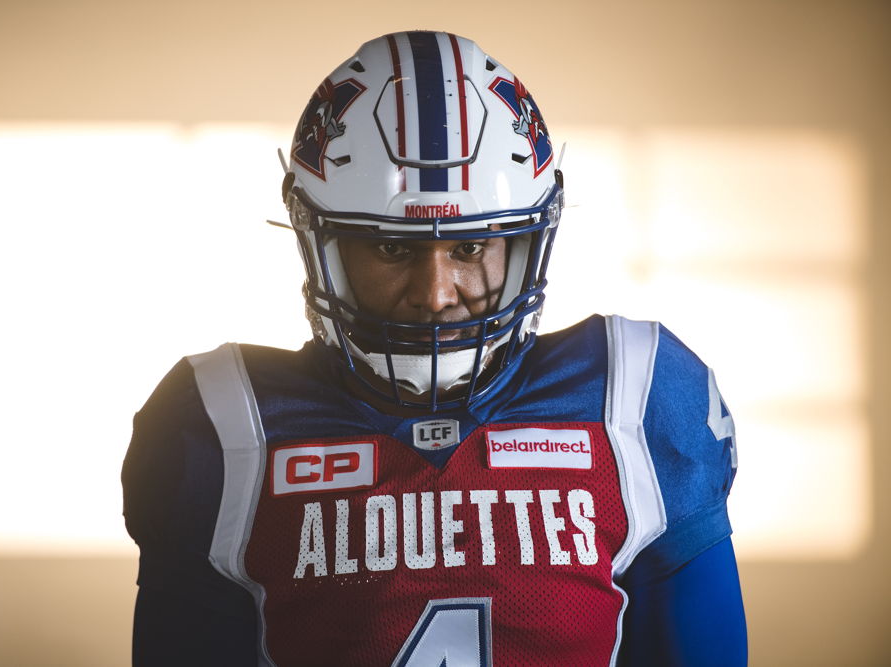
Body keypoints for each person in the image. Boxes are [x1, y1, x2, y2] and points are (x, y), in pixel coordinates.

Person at [122, 30, 747, 666]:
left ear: (528, 244)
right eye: (393, 248)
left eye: (471, 248)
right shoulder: (222, 426)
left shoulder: (638, 400)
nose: (436, 293)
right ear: (322, 246)